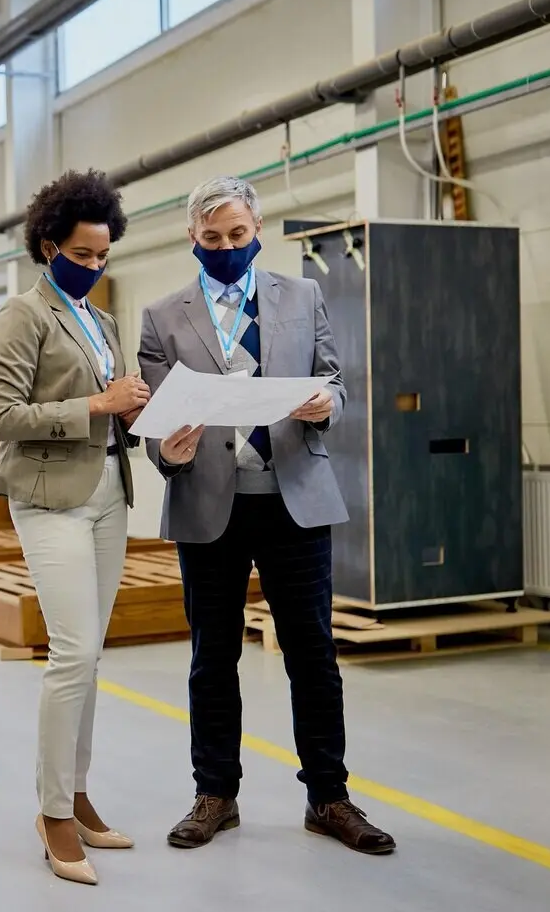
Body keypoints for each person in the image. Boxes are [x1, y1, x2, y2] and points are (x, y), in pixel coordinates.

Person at [137, 175, 395, 855]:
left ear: (258, 229)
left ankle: (329, 798)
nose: (226, 247)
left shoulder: (304, 296)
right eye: (212, 238)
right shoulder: (162, 317)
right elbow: (151, 423)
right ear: (192, 238)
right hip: (208, 507)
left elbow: (335, 381)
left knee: (313, 654)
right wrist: (168, 449)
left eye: (238, 235)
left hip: (295, 502)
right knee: (211, 656)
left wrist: (326, 405)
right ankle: (215, 794)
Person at [0, 168, 151, 886]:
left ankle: (77, 793)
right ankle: (52, 811)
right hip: (50, 496)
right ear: (49, 245)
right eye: (83, 254)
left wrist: (142, 415)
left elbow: (115, 405)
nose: (94, 266)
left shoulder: (103, 320)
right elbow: (3, 416)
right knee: (71, 654)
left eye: (104, 255)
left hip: (110, 491)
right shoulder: (21, 316)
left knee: (92, 658)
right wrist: (95, 404)